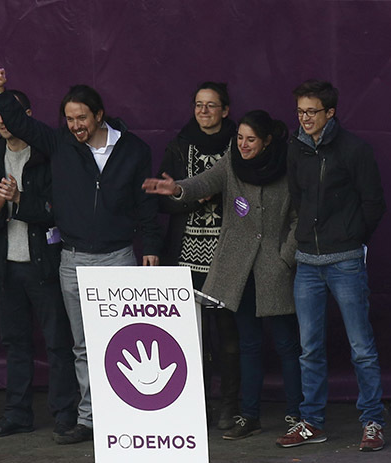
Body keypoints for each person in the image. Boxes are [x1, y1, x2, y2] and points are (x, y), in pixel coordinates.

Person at [0, 68, 162, 444]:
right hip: (73, 260)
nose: (75, 124)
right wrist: (0, 92)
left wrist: (152, 249)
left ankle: (127, 416)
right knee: (82, 346)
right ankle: (90, 420)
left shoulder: (134, 150)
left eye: (82, 117)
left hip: (118, 257)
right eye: (68, 118)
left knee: (123, 343)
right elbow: (20, 122)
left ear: (99, 115)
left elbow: (147, 204)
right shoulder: (60, 144)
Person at [143, 110, 303, 441]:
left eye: (250, 140)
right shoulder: (232, 161)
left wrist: (285, 258)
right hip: (238, 270)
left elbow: (301, 217)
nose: (243, 145)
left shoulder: (289, 166)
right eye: (239, 138)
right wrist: (176, 189)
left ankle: (296, 414)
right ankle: (250, 416)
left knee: (288, 345)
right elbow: (205, 182)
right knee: (248, 344)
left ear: (267, 141)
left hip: (275, 269)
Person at [276, 80, 387, 451]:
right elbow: (297, 196)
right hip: (307, 262)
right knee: (310, 347)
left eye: (312, 111)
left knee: (362, 347)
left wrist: (350, 237)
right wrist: (307, 234)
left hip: (346, 262)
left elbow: (374, 203)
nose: (305, 118)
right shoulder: (295, 148)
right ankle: (311, 422)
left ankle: (373, 422)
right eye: (300, 111)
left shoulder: (355, 149)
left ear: (330, 113)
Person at [0, 90, 78, 441]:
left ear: (28, 116)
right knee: (15, 343)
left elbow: (57, 211)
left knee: (57, 343)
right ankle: (17, 414)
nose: (2, 121)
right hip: (7, 268)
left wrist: (18, 200)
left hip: (44, 266)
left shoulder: (49, 157)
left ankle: (66, 414)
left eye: (10, 114)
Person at [157, 82, 240, 430]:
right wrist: (194, 197)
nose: (203, 111)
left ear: (225, 110)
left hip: (229, 257)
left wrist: (218, 196)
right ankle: (195, 403)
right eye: (198, 104)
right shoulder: (178, 146)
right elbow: (162, 199)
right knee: (190, 338)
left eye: (211, 105)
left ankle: (230, 405)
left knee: (228, 338)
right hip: (185, 257)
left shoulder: (241, 145)